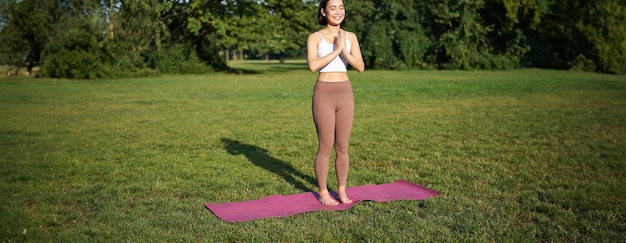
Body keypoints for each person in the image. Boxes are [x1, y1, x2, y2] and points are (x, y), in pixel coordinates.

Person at [307, 0, 365, 206]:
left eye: (341, 7)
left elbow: (360, 67)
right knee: (325, 146)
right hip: (324, 93)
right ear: (323, 11)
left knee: (342, 146)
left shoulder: (351, 37)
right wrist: (335, 50)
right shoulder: (315, 37)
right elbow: (313, 65)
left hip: (345, 93)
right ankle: (323, 191)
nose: (338, 11)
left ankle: (341, 190)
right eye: (333, 7)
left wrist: (344, 51)